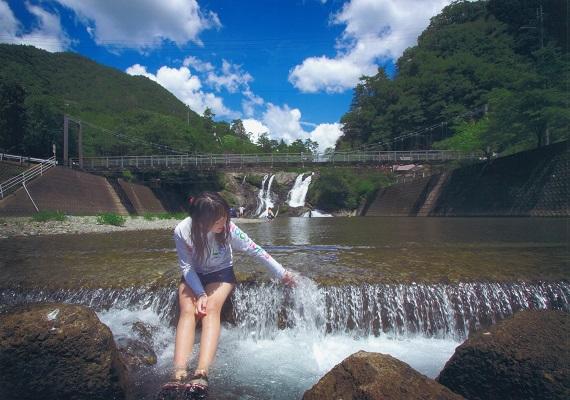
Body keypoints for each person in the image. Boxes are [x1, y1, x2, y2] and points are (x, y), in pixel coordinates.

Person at [162, 192, 295, 396]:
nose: (224, 223)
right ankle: (178, 373)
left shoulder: (229, 229)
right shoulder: (182, 230)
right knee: (188, 310)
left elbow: (255, 249)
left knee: (210, 308)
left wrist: (281, 272)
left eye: (225, 217)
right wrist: (199, 292)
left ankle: (202, 373)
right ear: (201, 220)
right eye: (218, 220)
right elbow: (186, 267)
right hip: (193, 274)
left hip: (221, 273)